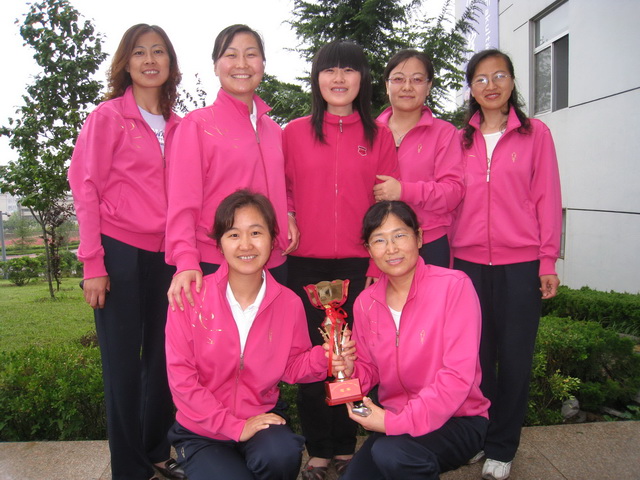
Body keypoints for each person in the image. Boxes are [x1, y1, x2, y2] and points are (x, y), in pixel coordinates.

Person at [68, 24, 186, 480]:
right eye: (139, 52)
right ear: (126, 62)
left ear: (171, 63)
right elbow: (86, 188)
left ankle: (156, 451)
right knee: (121, 364)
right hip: (118, 252)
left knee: (163, 358)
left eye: (159, 51)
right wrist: (93, 263)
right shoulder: (108, 117)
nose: (150, 60)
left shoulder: (181, 125)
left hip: (167, 256)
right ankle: (129, 468)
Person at [283, 39, 399, 479]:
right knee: (315, 356)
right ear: (317, 79)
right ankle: (317, 447)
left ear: (362, 79)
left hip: (357, 267)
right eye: (329, 70)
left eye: (348, 69)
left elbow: (386, 208)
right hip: (305, 265)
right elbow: (282, 189)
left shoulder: (379, 136)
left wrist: (374, 265)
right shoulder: (293, 133)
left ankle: (347, 443)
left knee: (352, 356)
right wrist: (288, 214)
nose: (338, 78)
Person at [165, 190, 331, 480]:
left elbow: (292, 366)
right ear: (219, 244)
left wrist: (326, 358)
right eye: (233, 235)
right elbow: (182, 379)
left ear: (272, 239)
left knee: (281, 455)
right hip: (202, 430)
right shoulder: (191, 298)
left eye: (256, 232)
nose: (246, 245)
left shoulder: (288, 303)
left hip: (260, 418)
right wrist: (234, 427)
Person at [451, 48, 562, 480]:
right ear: (471, 89)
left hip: (520, 265)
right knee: (475, 358)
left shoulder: (536, 135)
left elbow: (547, 199)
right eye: (480, 78)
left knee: (515, 357)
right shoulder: (460, 140)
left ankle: (503, 445)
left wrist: (547, 260)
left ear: (513, 81)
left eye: (499, 76)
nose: (491, 85)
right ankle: (481, 434)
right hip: (468, 264)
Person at [333, 200, 489, 480]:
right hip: (396, 420)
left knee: (394, 455)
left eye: (400, 235)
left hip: (458, 418)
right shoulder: (366, 302)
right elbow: (368, 371)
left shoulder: (453, 287)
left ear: (419, 238)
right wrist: (349, 368)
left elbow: (457, 376)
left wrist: (395, 422)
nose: (391, 249)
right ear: (369, 250)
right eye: (379, 240)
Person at [165, 24, 297, 312]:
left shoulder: (274, 130)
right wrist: (186, 259)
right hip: (216, 262)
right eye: (231, 55)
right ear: (216, 65)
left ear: (263, 64)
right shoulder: (197, 125)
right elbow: (182, 201)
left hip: (273, 262)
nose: (242, 64)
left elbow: (285, 184)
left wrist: (288, 214)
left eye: (251, 54)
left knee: (271, 340)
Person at [373, 49, 464, 268]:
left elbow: (453, 192)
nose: (407, 87)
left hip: (429, 242)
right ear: (387, 85)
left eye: (417, 80)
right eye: (398, 79)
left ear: (428, 86)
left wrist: (404, 191)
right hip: (378, 243)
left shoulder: (444, 133)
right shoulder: (369, 132)